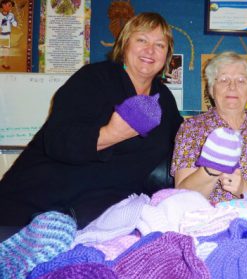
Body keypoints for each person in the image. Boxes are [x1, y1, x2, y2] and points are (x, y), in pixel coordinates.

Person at [0, 12, 183, 227]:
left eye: (159, 45)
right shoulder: (94, 78)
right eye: (141, 40)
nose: (150, 50)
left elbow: (185, 139)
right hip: (36, 209)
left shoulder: (164, 100)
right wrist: (110, 134)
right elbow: (57, 140)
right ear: (124, 44)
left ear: (167, 55)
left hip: (100, 218)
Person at [171, 51, 247, 209]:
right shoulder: (191, 128)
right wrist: (210, 170)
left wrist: (244, 188)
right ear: (212, 89)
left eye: (241, 81)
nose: (232, 87)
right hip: (205, 222)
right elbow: (181, 199)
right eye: (224, 79)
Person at [0, 0, 18, 69]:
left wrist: (12, 21)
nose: (10, 7)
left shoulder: (11, 15)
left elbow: (15, 25)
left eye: (11, 6)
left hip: (6, 35)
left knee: (6, 51)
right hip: (0, 35)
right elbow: (2, 24)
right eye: (8, 5)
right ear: (3, 5)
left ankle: (5, 64)